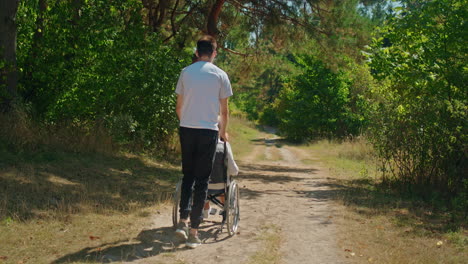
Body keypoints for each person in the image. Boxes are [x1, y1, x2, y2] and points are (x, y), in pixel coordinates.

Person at [174, 35, 232, 248]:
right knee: (202, 181)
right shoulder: (220, 75)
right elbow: (224, 112)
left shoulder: (185, 72)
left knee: (187, 176)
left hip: (187, 129)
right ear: (214, 54)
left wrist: (187, 123)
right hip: (208, 131)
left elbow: (179, 107)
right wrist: (222, 133)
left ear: (197, 52)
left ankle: (182, 222)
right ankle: (194, 232)